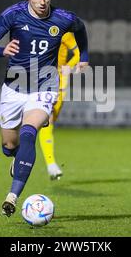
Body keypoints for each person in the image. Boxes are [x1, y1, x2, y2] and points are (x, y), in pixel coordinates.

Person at [0, 0, 89, 217]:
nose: (43, 1)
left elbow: (81, 30)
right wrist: (2, 51)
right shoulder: (13, 15)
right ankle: (15, 160)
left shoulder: (63, 18)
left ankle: (12, 196)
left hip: (45, 87)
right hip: (13, 88)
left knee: (29, 134)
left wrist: (84, 57)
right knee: (9, 146)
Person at [38, 32, 79, 180]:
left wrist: (67, 67)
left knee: (48, 123)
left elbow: (78, 53)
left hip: (60, 81)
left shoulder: (65, 34)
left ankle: (50, 164)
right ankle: (50, 164)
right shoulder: (37, 30)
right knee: (45, 121)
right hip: (40, 78)